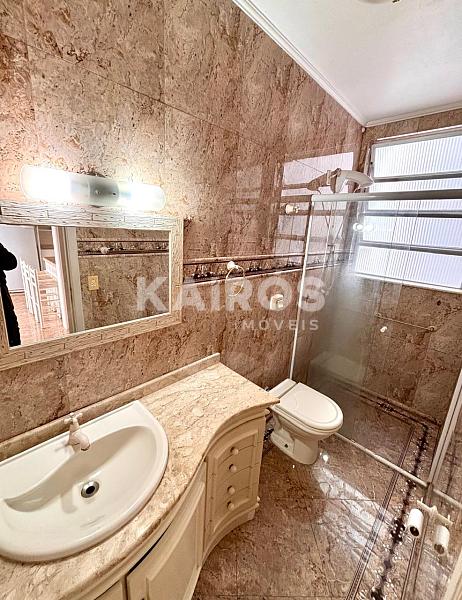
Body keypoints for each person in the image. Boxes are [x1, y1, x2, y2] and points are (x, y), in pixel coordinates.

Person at [0, 243, 21, 346]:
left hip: (2, 296)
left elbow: (12, 262)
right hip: (2, 297)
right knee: (11, 328)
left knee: (11, 328)